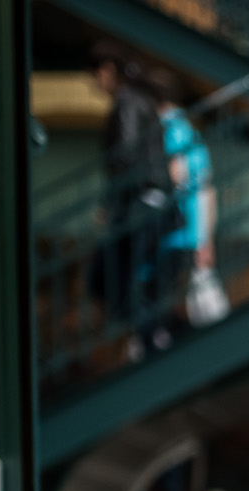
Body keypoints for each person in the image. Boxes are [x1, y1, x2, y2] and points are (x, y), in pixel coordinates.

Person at [90, 41, 177, 357]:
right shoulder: (138, 102)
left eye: (95, 74)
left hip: (139, 203)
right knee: (121, 279)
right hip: (146, 202)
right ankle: (150, 337)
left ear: (108, 71)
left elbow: (124, 158)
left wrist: (110, 206)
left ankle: (153, 340)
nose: (94, 83)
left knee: (117, 279)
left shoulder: (127, 104)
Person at [150, 67, 217, 335]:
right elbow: (206, 190)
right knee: (181, 300)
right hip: (191, 231)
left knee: (162, 301)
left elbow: (176, 176)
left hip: (174, 231)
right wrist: (205, 238)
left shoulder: (168, 130)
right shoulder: (190, 131)